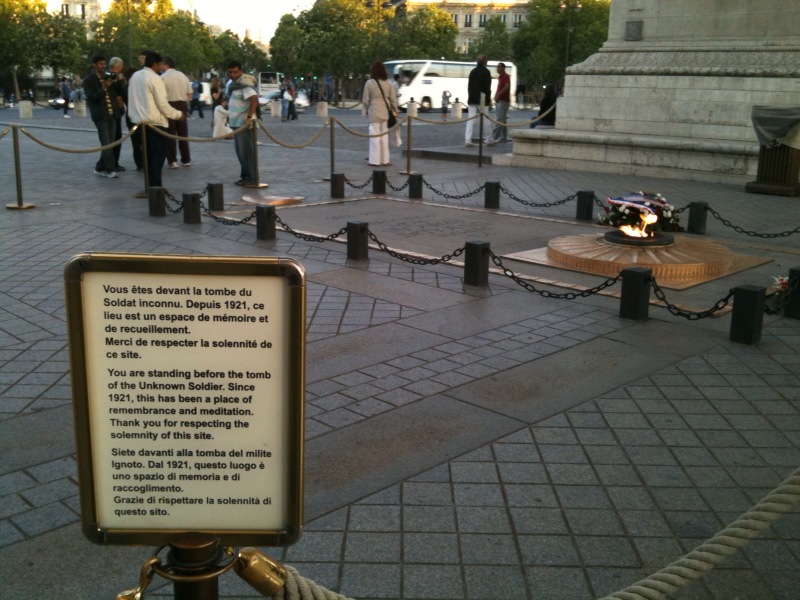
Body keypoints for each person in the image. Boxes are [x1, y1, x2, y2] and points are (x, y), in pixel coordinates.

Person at [127, 51, 185, 188]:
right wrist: (178, 115)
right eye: (160, 64)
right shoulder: (155, 78)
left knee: (147, 156)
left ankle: (150, 187)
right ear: (155, 64)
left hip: (138, 123)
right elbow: (162, 104)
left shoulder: (134, 76)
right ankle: (155, 187)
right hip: (154, 123)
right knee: (158, 155)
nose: (161, 67)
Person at [83, 55, 120, 178]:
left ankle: (99, 167)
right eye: (100, 64)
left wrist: (116, 81)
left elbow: (118, 92)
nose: (103, 66)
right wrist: (104, 87)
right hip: (100, 116)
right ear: (94, 65)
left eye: (104, 63)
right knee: (106, 143)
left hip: (112, 114)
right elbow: (92, 98)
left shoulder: (108, 77)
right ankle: (110, 170)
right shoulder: (88, 81)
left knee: (111, 142)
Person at [226, 60, 259, 186]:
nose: (233, 75)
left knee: (246, 152)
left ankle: (251, 178)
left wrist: (249, 116)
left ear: (240, 71)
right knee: (241, 152)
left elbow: (254, 99)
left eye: (235, 72)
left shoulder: (244, 85)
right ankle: (245, 176)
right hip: (236, 123)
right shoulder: (234, 85)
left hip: (244, 124)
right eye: (230, 72)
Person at [362, 60, 398, 167]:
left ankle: (374, 160)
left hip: (374, 111)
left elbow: (365, 99)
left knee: (374, 136)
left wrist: (367, 109)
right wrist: (395, 109)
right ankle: (385, 160)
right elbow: (393, 98)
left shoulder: (369, 83)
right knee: (384, 136)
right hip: (385, 111)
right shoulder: (388, 82)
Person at [160, 55, 192, 168]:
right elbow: (190, 92)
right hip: (182, 104)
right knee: (183, 134)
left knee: (170, 134)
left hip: (169, 105)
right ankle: (186, 159)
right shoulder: (183, 76)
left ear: (165, 64)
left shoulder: (163, 77)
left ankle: (172, 160)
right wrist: (185, 102)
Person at [464, 54, 491, 147]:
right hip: (482, 98)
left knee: (470, 118)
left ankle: (467, 139)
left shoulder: (473, 71)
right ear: (485, 61)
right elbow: (487, 87)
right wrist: (488, 99)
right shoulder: (486, 72)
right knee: (485, 118)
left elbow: (469, 86)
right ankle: (488, 138)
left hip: (472, 97)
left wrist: (470, 95)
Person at [108, 57, 127, 171]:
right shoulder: (111, 77)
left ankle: (115, 162)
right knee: (115, 137)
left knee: (116, 137)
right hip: (114, 110)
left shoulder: (115, 77)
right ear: (118, 66)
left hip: (117, 110)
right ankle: (112, 163)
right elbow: (121, 92)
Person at [487, 62, 511, 145]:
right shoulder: (500, 77)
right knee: (503, 120)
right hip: (500, 100)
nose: (497, 68)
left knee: (499, 119)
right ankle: (503, 137)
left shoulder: (505, 76)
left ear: (503, 68)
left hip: (503, 100)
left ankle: (494, 137)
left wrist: (499, 94)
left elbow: (507, 86)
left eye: (499, 67)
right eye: (497, 67)